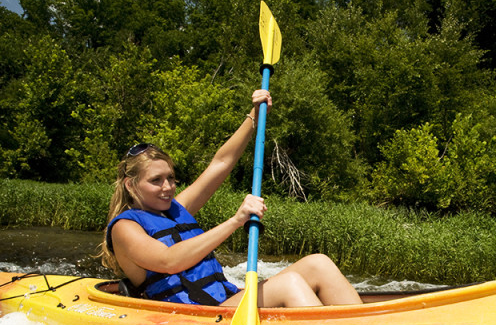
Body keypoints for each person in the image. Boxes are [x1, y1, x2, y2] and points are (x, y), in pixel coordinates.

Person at [99, 89, 362, 308]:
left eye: (170, 177)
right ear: (131, 185)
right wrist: (236, 220)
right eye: (156, 181)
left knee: (318, 263)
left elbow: (221, 162)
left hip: (225, 301)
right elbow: (169, 261)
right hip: (196, 317)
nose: (167, 187)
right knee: (288, 283)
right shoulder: (125, 227)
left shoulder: (175, 208)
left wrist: (254, 116)